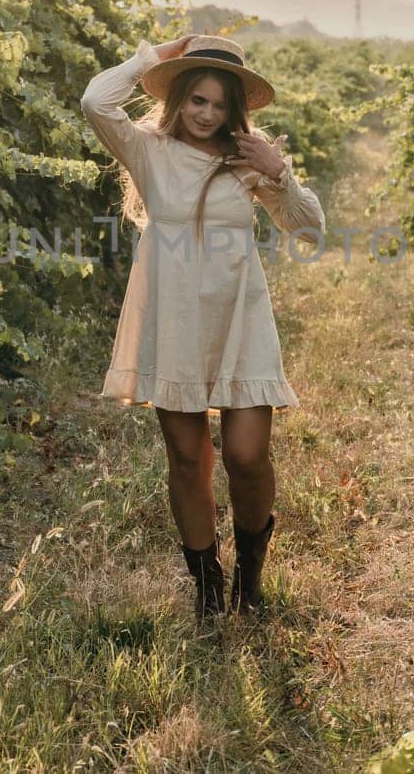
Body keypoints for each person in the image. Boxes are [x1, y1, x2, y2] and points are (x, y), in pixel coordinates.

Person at [80, 33, 326, 621]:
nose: (207, 114)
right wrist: (154, 56)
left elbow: (309, 229)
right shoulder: (147, 151)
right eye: (197, 101)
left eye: (219, 105)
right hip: (176, 322)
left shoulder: (247, 158)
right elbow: (95, 102)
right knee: (188, 459)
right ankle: (208, 590)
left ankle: (251, 577)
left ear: (234, 109)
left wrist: (281, 173)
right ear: (180, 99)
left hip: (240, 318)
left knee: (246, 455)